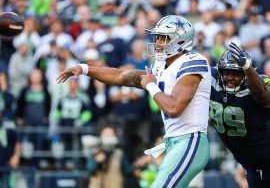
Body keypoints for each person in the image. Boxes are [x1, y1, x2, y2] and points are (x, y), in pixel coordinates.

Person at [57, 15, 211, 188]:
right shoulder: (160, 65)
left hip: (191, 141)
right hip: (174, 142)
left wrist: (151, 86)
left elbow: (174, 108)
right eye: (158, 37)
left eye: (164, 38)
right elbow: (121, 76)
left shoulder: (193, 62)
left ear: (181, 40)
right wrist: (85, 69)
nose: (159, 42)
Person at [209, 42, 270, 187]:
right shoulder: (212, 81)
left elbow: (264, 96)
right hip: (251, 164)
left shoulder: (258, 82)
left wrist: (247, 68)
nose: (230, 77)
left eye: (236, 73)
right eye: (226, 72)